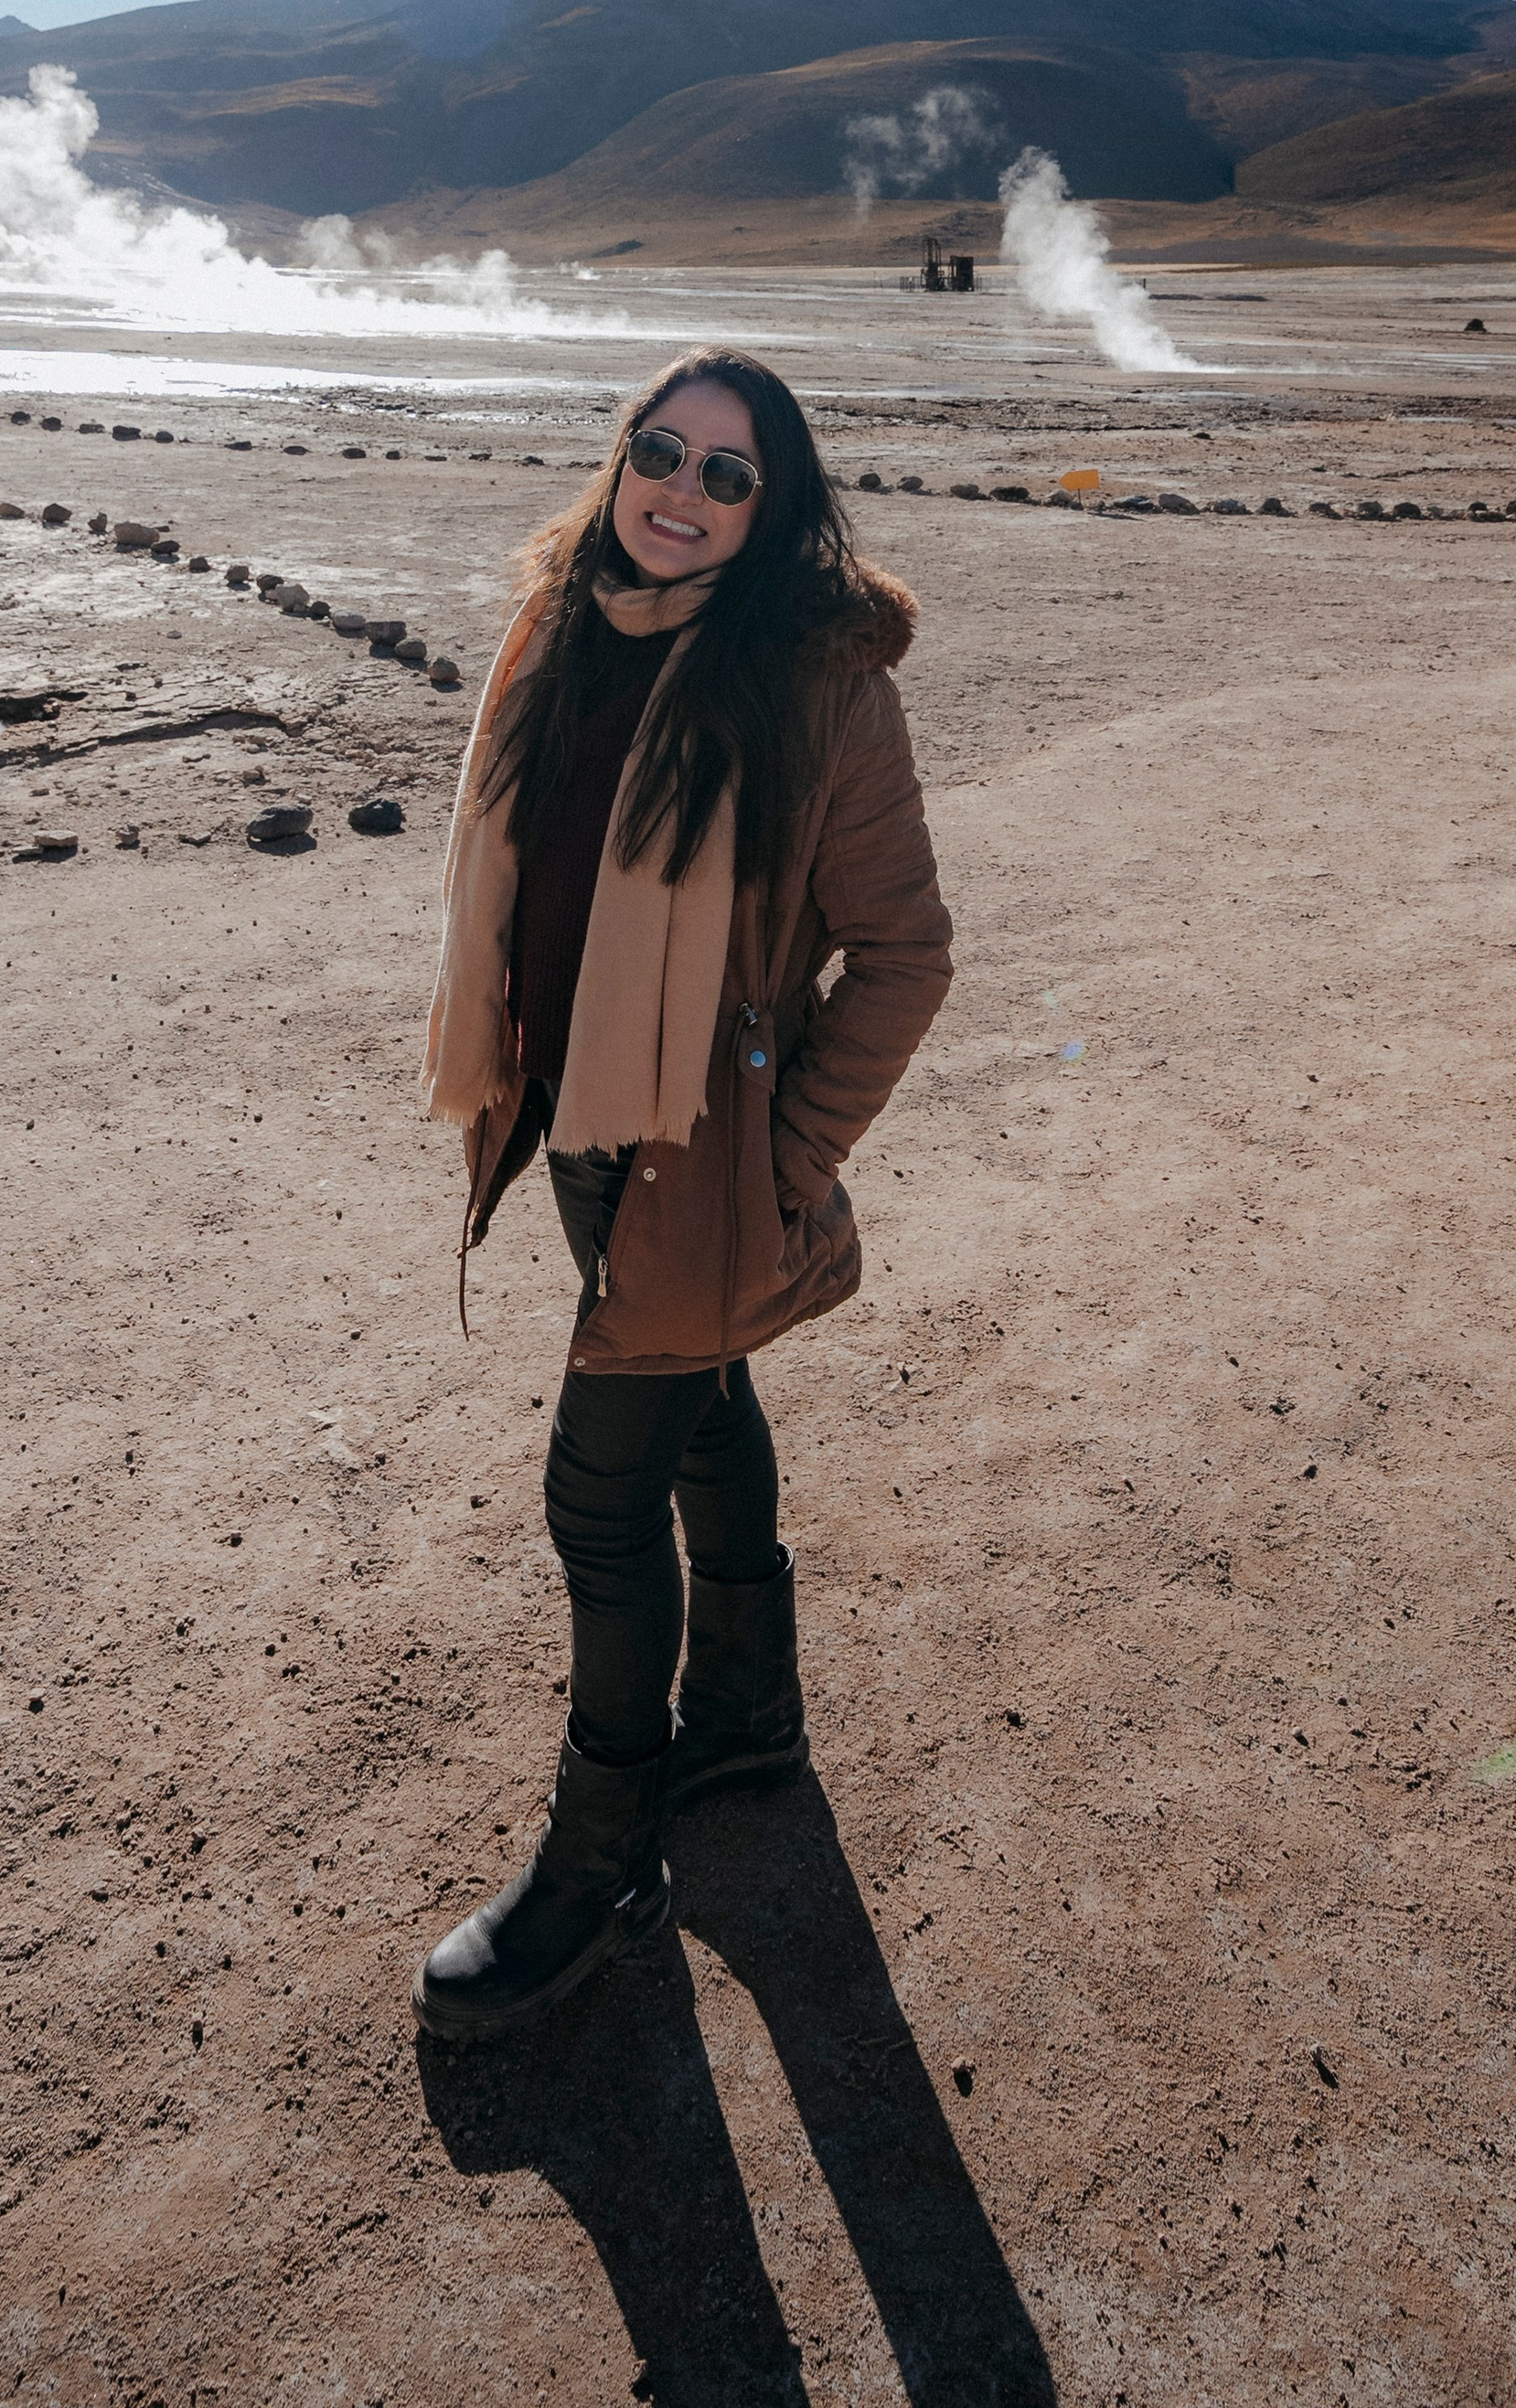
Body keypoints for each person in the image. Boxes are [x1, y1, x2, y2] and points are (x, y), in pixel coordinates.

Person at [412, 346, 952, 2042]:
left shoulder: (817, 682)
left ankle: (607, 1857)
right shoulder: (559, 629)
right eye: (666, 451)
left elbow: (907, 955)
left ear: (775, 507)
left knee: (597, 1494)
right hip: (571, 1113)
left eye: (734, 474)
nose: (688, 492)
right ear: (620, 454)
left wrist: (788, 1164)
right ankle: (745, 1711)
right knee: (702, 1391)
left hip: (702, 1151)